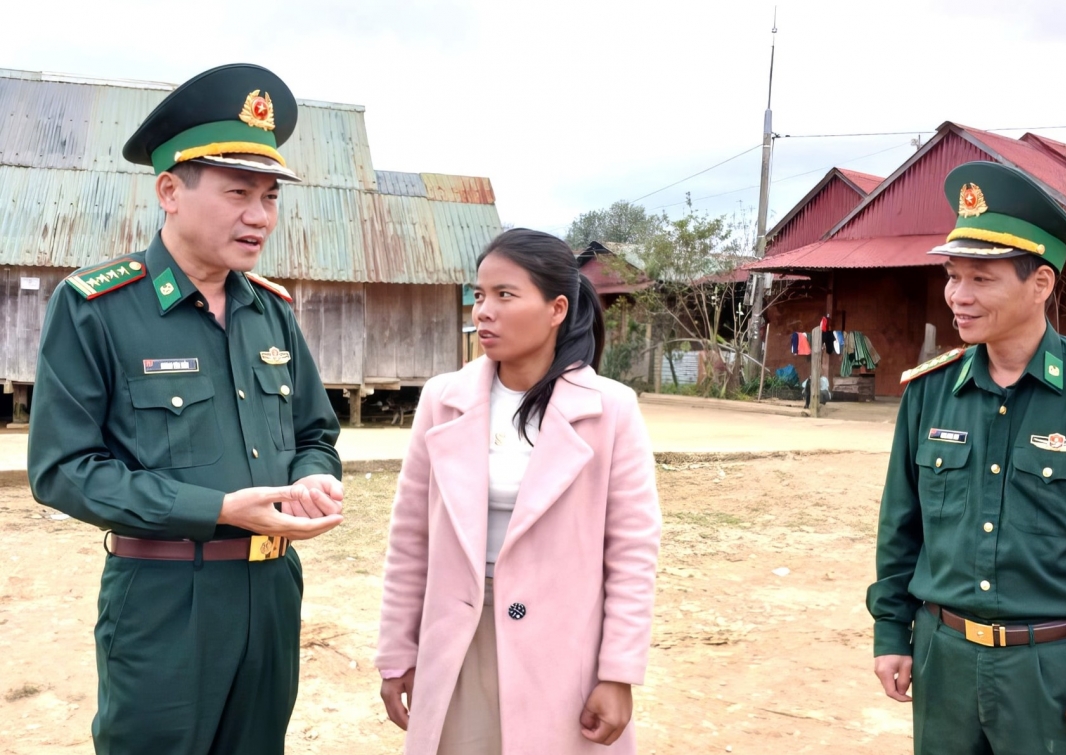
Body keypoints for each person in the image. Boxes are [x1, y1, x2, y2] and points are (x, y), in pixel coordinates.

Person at [27, 64, 344, 755]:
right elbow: (64, 470)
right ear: (169, 190)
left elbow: (315, 431)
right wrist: (217, 508)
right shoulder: (97, 308)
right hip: (165, 599)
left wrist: (316, 475)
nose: (260, 216)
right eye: (238, 193)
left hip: (271, 589)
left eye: (269, 197)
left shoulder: (273, 312)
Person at [866, 161, 1066, 754]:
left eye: (981, 278)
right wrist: (890, 631)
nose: (958, 296)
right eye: (953, 276)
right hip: (942, 659)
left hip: (1051, 670)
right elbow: (901, 528)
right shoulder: (930, 390)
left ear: (1042, 283)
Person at [376, 229, 661, 754]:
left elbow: (632, 551)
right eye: (480, 295)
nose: (484, 311)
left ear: (556, 308)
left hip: (566, 648)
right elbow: (411, 537)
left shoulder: (610, 409)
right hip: (458, 640)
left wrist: (618, 672)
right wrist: (397, 652)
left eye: (505, 295)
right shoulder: (444, 400)